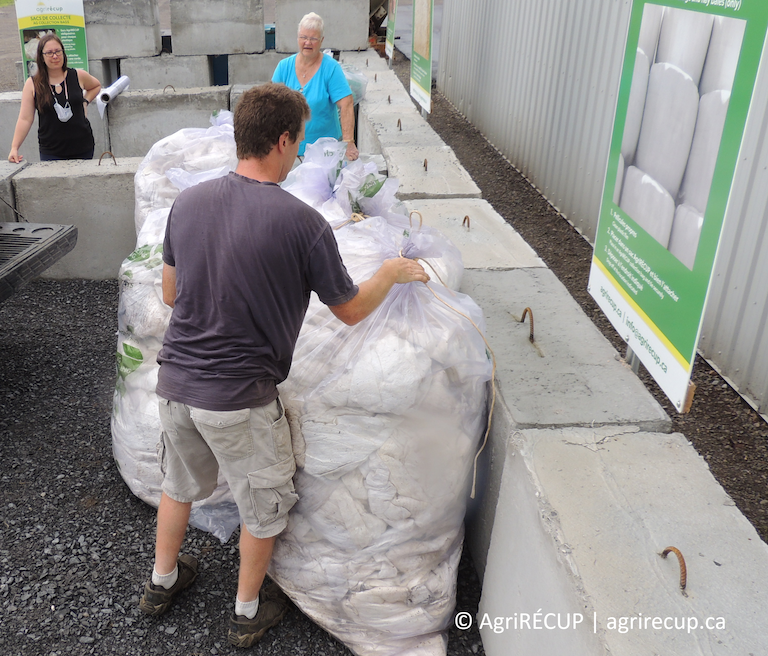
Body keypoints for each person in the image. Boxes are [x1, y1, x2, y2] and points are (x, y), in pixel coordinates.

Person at [138, 83, 428, 648]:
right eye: (296, 142)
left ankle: (161, 581)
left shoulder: (189, 203)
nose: (298, 153)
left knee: (179, 486)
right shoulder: (302, 223)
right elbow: (348, 311)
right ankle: (247, 612)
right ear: (279, 141)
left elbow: (172, 294)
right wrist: (391, 272)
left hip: (175, 384)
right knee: (262, 505)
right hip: (239, 398)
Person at [272, 12, 359, 161]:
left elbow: (346, 103)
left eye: (313, 38)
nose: (308, 42)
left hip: (325, 151)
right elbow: (271, 104)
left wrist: (348, 142)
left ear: (321, 41)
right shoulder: (284, 67)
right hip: (289, 150)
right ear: (297, 38)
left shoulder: (330, 68)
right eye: (304, 37)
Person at [8, 33, 101, 163]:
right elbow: (25, 119)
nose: (55, 56)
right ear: (41, 56)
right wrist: (14, 147)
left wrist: (85, 101)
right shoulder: (32, 84)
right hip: (51, 151)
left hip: (83, 147)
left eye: (58, 51)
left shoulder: (78, 75)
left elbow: (96, 86)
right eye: (49, 53)